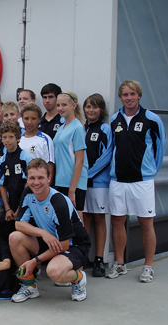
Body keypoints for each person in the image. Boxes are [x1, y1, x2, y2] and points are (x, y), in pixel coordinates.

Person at [107, 80, 166, 283]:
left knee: (145, 223)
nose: (129, 98)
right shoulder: (115, 119)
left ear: (139, 95)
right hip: (118, 181)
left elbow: (160, 149)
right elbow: (111, 148)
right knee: (117, 221)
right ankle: (120, 263)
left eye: (132, 94)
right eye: (125, 94)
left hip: (142, 181)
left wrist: (149, 172)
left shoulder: (152, 119)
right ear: (120, 97)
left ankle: (148, 266)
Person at [9, 158, 90, 302]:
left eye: (41, 178)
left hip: (73, 246)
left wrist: (35, 260)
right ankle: (30, 286)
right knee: (15, 237)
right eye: (32, 178)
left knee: (54, 272)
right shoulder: (28, 193)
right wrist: (42, 233)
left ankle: (78, 277)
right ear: (27, 179)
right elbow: (19, 225)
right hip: (50, 241)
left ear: (49, 179)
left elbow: (63, 245)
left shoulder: (58, 202)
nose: (36, 182)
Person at [82, 93, 113, 277]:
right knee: (84, 218)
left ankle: (99, 259)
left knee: (99, 218)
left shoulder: (105, 129)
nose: (91, 110)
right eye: (88, 107)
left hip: (99, 183)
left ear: (100, 110)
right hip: (82, 183)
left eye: (94, 107)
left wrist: (89, 173)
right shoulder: (82, 128)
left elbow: (107, 155)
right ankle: (84, 255)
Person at [53, 91, 88, 219]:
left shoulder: (77, 127)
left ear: (73, 106)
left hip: (74, 183)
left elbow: (80, 160)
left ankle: (82, 240)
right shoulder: (62, 127)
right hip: (61, 180)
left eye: (64, 105)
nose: (60, 108)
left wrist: (72, 190)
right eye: (58, 105)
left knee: (77, 220)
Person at [0, 120, 32, 242]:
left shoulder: (25, 158)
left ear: (17, 138)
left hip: (24, 205)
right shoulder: (2, 161)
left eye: (11, 137)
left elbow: (28, 185)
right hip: (9, 207)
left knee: (21, 235)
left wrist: (19, 209)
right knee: (4, 233)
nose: (7, 140)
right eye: (4, 137)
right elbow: (2, 186)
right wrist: (7, 208)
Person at [19, 103, 55, 179]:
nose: (29, 122)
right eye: (26, 118)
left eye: (33, 118)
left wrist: (46, 185)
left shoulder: (45, 139)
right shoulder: (18, 139)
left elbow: (50, 165)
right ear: (22, 119)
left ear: (39, 119)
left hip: (37, 183)